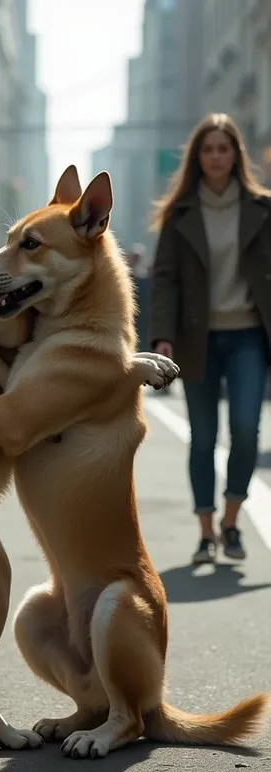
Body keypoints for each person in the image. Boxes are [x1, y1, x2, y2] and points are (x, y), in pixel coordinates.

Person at [150, 112, 271, 566]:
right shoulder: (180, 213)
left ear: (235, 155)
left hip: (248, 336)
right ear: (197, 158)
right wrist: (162, 336)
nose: (216, 156)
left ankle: (232, 519)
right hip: (196, 337)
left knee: (245, 429)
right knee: (202, 438)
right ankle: (205, 531)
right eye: (208, 149)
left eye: (224, 148)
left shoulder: (263, 207)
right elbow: (164, 280)